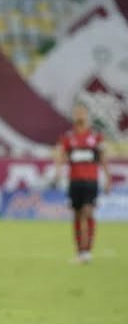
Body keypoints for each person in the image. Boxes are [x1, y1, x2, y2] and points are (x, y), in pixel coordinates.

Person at [54, 103, 111, 264]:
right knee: (77, 215)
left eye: (82, 113)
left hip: (91, 181)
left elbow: (103, 158)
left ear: (87, 115)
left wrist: (108, 177)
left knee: (88, 212)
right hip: (75, 181)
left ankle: (87, 251)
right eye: (77, 113)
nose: (79, 115)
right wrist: (58, 171)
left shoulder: (96, 137)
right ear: (73, 116)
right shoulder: (68, 137)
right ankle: (80, 252)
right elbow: (61, 156)